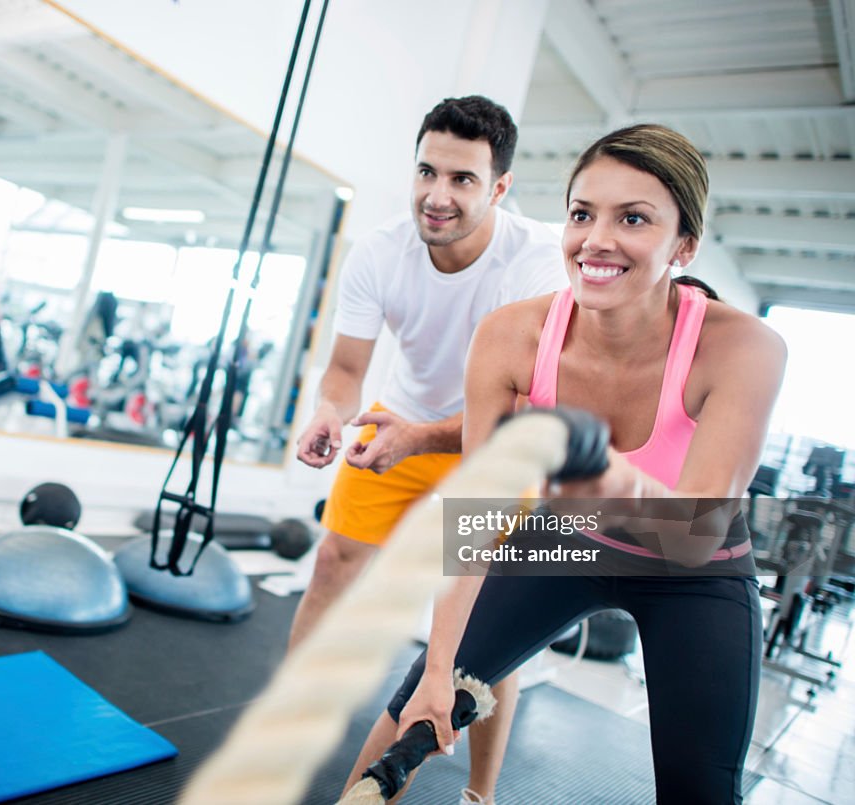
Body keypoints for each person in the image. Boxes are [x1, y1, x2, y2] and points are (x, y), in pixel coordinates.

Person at [345, 123, 787, 804]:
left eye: (633, 218)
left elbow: (691, 532)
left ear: (684, 245)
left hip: (693, 570)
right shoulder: (512, 335)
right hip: (564, 540)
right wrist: (438, 670)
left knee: (699, 787)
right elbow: (478, 518)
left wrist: (594, 468)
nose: (597, 239)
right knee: (408, 708)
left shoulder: (744, 347)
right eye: (583, 214)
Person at [292, 95, 566, 802]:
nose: (436, 196)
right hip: (402, 417)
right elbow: (349, 369)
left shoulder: (536, 264)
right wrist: (331, 409)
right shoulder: (380, 250)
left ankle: (481, 790)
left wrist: (419, 438)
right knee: (332, 562)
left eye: (462, 179)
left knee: (489, 626)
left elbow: (520, 403)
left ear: (499, 187)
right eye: (426, 172)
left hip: (496, 437)